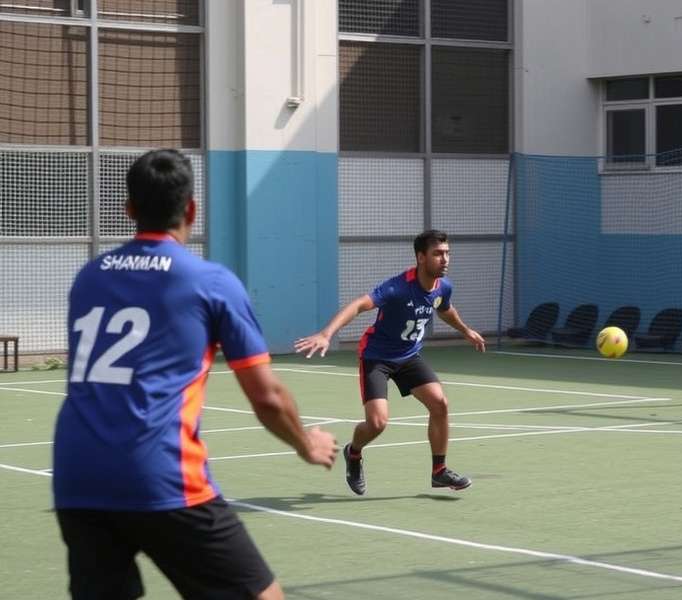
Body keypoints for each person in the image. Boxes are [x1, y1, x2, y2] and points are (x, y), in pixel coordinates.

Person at [52, 149, 338, 600]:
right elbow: (266, 396)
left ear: (129, 210)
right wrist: (306, 442)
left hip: (77, 476)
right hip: (160, 474)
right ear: (191, 209)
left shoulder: (88, 277)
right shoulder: (210, 282)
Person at [294, 230, 485, 495]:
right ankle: (354, 453)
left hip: (409, 356)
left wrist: (466, 330)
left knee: (440, 403)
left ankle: (439, 471)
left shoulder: (443, 286)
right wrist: (327, 333)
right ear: (421, 257)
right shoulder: (398, 287)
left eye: (447, 253)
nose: (445, 259)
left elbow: (444, 307)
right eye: (438, 254)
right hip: (377, 357)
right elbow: (360, 304)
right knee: (377, 424)